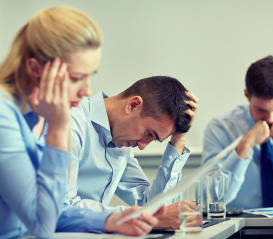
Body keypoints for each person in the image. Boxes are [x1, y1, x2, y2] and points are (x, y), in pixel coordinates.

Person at [0, 6, 165, 239]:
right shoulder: (6, 118)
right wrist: (58, 129)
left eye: (90, 76)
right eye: (76, 78)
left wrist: (110, 220)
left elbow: (55, 208)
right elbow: (42, 225)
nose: (87, 90)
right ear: (36, 69)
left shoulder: (44, 116)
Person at [68, 76, 198, 228]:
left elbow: (152, 207)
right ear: (133, 105)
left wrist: (179, 139)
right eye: (149, 133)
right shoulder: (71, 123)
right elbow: (65, 207)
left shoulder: (122, 142)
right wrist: (134, 217)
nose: (142, 146)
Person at [201, 55, 273, 209]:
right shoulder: (219, 128)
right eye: (261, 110)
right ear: (247, 95)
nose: (271, 118)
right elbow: (210, 200)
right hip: (240, 228)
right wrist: (244, 146)